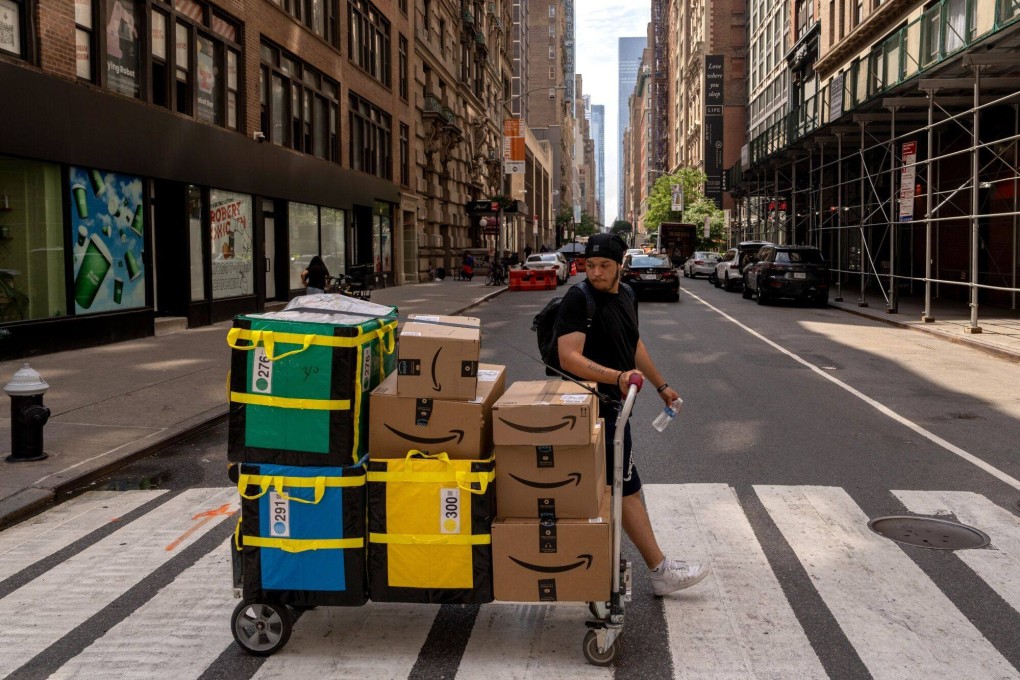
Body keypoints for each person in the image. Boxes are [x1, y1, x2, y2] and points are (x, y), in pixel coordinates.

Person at [555, 232, 710, 596]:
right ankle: (659, 570)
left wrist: (660, 386)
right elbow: (568, 357)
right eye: (589, 265)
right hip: (592, 410)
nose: (595, 273)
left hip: (619, 408)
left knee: (618, 486)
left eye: (604, 266)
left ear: (620, 264)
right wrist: (618, 377)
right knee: (626, 487)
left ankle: (601, 563)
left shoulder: (627, 294)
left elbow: (634, 343)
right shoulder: (578, 299)